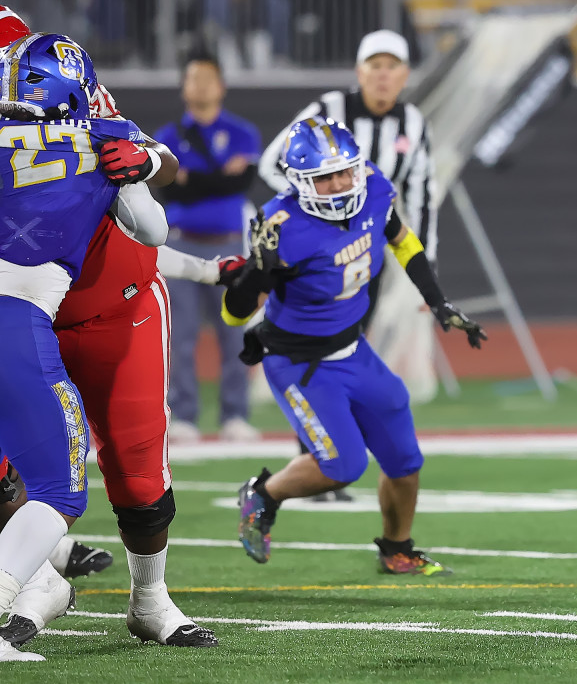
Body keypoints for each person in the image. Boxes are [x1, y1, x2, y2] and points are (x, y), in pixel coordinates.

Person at [0, 9, 220, 652]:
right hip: (26, 309)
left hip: (113, 302)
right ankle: (38, 581)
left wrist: (147, 161)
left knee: (136, 469)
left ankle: (150, 600)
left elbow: (157, 170)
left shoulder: (47, 71)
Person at [222, 117, 485, 575]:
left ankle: (396, 547)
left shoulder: (376, 190)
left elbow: (401, 239)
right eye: (325, 177)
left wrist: (438, 301)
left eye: (345, 171)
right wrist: (255, 272)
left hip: (353, 348)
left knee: (405, 459)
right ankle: (263, 494)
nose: (341, 184)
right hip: (299, 360)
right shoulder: (282, 225)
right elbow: (234, 313)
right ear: (301, 183)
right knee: (342, 466)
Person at [260, 30, 439, 404]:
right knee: (315, 343)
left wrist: (426, 265)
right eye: (375, 66)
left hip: (367, 256)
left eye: (392, 66)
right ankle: (315, 439)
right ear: (360, 72)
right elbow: (273, 161)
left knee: (351, 345)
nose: (384, 75)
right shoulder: (330, 110)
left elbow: (421, 196)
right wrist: (314, 213)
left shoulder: (414, 123)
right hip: (317, 253)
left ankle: (332, 435)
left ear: (405, 75)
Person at [154, 54, 261, 444]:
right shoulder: (166, 136)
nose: (200, 85)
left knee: (234, 331)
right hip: (180, 244)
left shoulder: (242, 132)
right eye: (192, 78)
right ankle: (183, 415)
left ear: (221, 86)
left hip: (229, 243)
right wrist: (215, 177)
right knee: (179, 335)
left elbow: (239, 184)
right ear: (184, 87)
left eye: (207, 78)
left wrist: (193, 178)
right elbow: (168, 188)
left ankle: (235, 414)